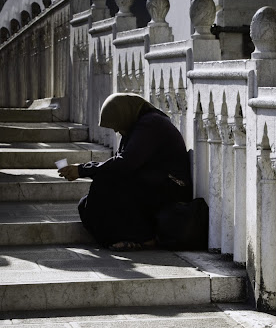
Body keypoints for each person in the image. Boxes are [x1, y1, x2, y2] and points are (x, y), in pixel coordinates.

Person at [58, 93, 193, 250]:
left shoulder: (151, 123)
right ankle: (125, 237)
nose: (117, 130)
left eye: (117, 124)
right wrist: (85, 170)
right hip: (151, 184)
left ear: (125, 114)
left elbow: (125, 163)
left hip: (172, 188)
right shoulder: (134, 127)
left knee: (104, 182)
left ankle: (143, 237)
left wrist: (83, 170)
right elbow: (119, 162)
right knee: (84, 204)